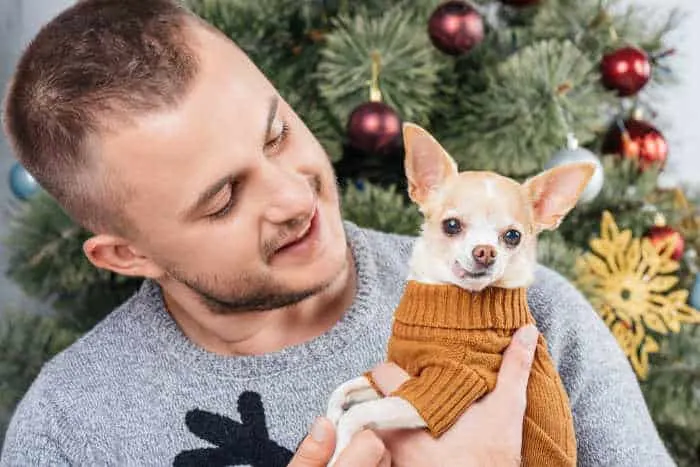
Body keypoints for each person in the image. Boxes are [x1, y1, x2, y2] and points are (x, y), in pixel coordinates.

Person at [0, 0, 674, 465]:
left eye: (278, 133)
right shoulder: (68, 428)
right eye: (224, 198)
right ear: (128, 253)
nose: (296, 196)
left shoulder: (531, 318)